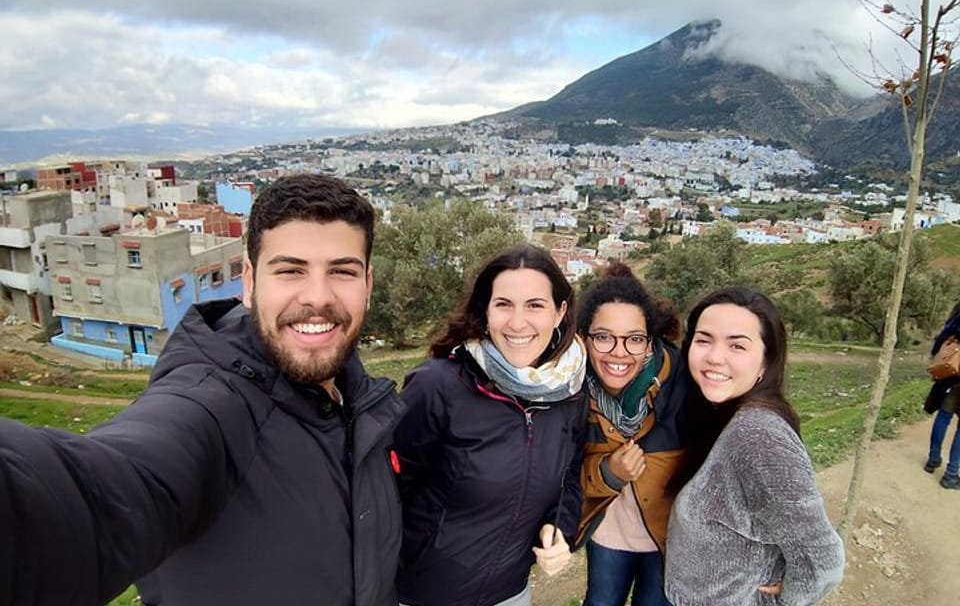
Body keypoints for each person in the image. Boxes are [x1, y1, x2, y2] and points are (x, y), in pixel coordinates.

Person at [0, 173, 406, 606]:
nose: (318, 297)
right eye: (291, 270)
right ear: (249, 283)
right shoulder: (212, 407)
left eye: (342, 271)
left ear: (368, 286)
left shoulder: (362, 400)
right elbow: (108, 491)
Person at [393, 244, 589, 606]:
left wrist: (560, 528)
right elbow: (382, 491)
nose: (517, 322)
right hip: (422, 596)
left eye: (535, 305)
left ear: (560, 312)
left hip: (511, 594)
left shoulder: (570, 393)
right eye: (504, 305)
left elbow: (569, 477)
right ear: (485, 310)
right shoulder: (437, 387)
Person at [664, 286, 844, 606]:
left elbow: (823, 561)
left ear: (766, 361)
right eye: (704, 340)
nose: (714, 356)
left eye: (737, 345)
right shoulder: (727, 417)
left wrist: (784, 599)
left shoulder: (758, 434)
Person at [575, 263, 688, 606]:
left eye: (634, 339)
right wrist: (608, 473)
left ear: (649, 340)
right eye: (603, 337)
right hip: (608, 532)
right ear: (585, 338)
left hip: (668, 533)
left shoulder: (683, 379)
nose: (619, 351)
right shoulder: (571, 390)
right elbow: (558, 474)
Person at [923, 300, 960, 489]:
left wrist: (935, 355)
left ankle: (933, 459)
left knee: (944, 417)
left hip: (952, 375)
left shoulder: (957, 317)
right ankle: (951, 475)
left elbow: (943, 336)